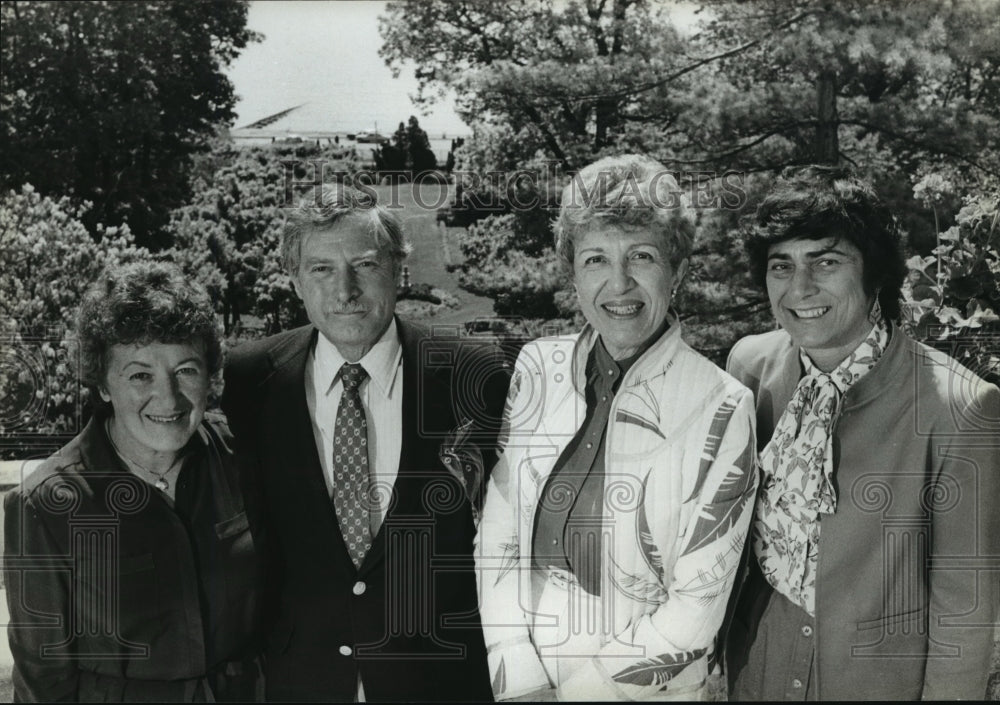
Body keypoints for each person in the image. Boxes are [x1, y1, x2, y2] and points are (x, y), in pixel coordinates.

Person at [476, 154, 759, 701]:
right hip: (522, 676)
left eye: (643, 256)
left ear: (676, 271)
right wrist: (517, 670)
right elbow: (498, 535)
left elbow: (698, 604)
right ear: (573, 275)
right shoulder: (537, 368)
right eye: (596, 259)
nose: (619, 283)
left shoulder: (723, 406)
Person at [221, 183, 508, 702]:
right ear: (295, 280)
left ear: (399, 268)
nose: (345, 290)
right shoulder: (247, 382)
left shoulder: (475, 376)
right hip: (299, 682)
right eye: (322, 269)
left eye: (365, 265)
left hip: (441, 682)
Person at [725, 165, 1000, 700]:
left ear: (874, 272)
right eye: (782, 266)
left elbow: (962, 615)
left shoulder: (961, 409)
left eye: (826, 261)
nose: (800, 288)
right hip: (756, 671)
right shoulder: (749, 368)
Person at [3, 262, 266, 701]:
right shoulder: (44, 506)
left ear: (209, 374)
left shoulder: (243, 457)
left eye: (186, 370)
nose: (167, 397)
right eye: (140, 375)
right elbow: (43, 680)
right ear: (103, 384)